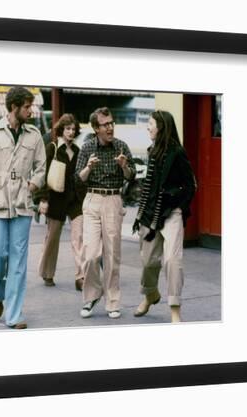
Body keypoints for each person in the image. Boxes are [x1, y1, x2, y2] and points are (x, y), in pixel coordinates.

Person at [0, 86, 46, 329]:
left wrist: (32, 186)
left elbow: (41, 168)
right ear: (14, 107)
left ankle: (14, 315)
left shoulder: (34, 135)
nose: (31, 110)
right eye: (27, 106)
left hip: (23, 206)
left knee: (18, 262)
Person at [132, 110, 196, 323]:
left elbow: (190, 185)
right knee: (148, 261)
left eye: (150, 124)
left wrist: (178, 205)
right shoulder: (152, 151)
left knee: (172, 260)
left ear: (161, 127)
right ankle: (150, 295)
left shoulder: (177, 152)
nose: (148, 127)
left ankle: (175, 309)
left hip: (172, 213)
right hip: (150, 215)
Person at [74, 107, 136, 319]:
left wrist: (124, 166)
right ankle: (91, 296)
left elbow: (131, 176)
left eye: (111, 123)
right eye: (105, 124)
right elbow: (78, 178)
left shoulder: (121, 147)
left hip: (112, 199)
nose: (110, 127)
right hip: (92, 199)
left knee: (112, 255)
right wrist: (88, 168)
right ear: (95, 128)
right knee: (91, 254)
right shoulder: (87, 148)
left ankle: (112, 301)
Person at [34, 114, 86, 290]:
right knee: (52, 238)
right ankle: (47, 273)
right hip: (56, 199)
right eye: (68, 129)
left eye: (73, 129)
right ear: (61, 130)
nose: (71, 132)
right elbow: (43, 174)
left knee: (79, 237)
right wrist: (43, 199)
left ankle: (81, 277)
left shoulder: (78, 151)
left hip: (75, 200)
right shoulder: (53, 148)